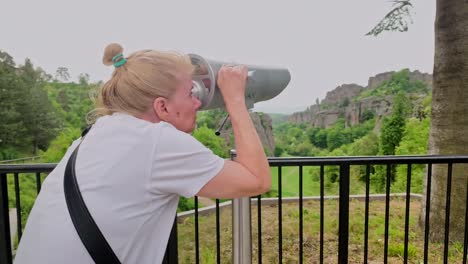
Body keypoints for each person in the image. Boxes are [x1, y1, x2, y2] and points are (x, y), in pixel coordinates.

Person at [14, 43, 271, 263]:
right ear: (162, 107)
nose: (198, 103)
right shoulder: (155, 141)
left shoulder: (92, 136)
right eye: (190, 92)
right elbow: (256, 179)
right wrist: (235, 100)